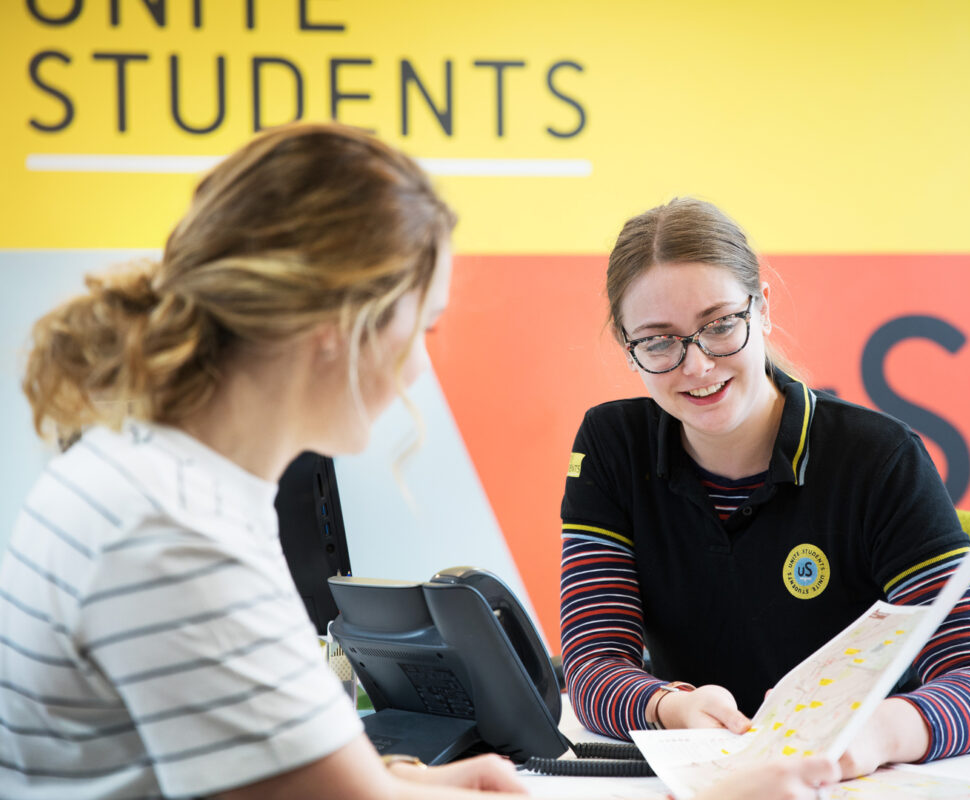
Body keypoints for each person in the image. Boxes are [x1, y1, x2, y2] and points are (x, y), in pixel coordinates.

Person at [0, 125, 836, 800]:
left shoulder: (156, 474)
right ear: (341, 326)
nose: (413, 374)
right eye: (421, 329)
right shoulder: (176, 533)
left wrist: (396, 783)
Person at [560, 197, 970, 779]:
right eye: (659, 342)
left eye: (720, 324)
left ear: (762, 310)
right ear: (628, 348)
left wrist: (871, 732)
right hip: (708, 780)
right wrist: (672, 707)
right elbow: (593, 665)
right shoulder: (612, 445)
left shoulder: (878, 457)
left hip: (856, 781)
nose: (698, 365)